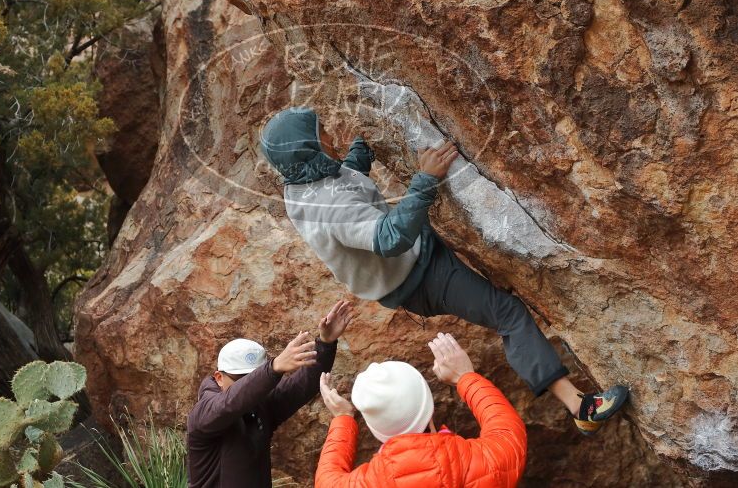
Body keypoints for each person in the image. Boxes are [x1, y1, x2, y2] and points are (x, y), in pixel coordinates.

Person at [260, 107, 628, 435]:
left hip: (418, 258)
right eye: (320, 133)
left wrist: (359, 152)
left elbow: (343, 184)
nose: (328, 135)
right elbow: (389, 238)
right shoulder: (330, 207)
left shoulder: (300, 183)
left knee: (502, 290)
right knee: (508, 313)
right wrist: (426, 179)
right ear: (308, 149)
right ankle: (580, 407)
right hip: (420, 278)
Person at [316, 332, 527, 487]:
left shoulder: (369, 482)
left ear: (375, 430)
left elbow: (327, 481)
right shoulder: (477, 462)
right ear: (430, 407)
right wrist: (465, 377)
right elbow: (508, 432)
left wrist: (342, 418)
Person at [186, 300, 354, 488]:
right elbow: (229, 404)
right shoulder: (204, 413)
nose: (248, 383)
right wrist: (272, 369)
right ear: (218, 377)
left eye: (253, 376)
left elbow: (301, 386)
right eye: (240, 377)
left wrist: (325, 344)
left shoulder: (262, 405)